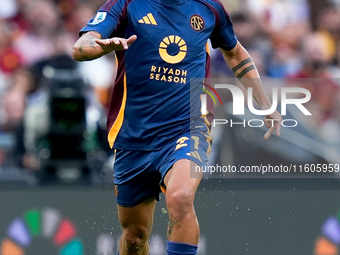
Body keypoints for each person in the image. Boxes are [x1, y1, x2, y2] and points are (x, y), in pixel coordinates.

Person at [72, 0, 283, 254]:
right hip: (134, 135)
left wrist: (265, 103)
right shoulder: (125, 5)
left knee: (180, 197)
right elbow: (81, 48)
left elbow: (235, 51)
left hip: (188, 126)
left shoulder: (209, 8)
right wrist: (97, 46)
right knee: (134, 235)